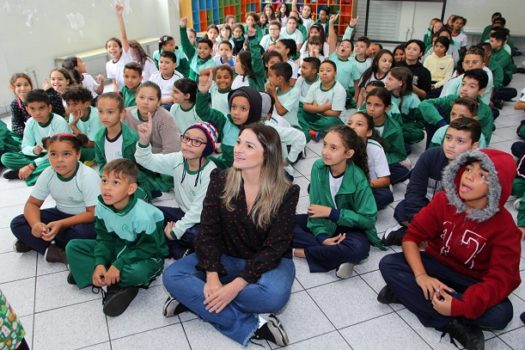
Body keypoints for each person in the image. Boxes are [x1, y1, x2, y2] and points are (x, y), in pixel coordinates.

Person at [162, 124, 300, 347]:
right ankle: (255, 325)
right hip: (227, 254)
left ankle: (193, 300)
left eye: (248, 145)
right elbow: (208, 232)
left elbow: (276, 247)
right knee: (172, 277)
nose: (238, 149)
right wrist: (213, 276)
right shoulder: (220, 179)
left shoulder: (287, 191)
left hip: (269, 261)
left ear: (268, 154)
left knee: (274, 297)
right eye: (238, 142)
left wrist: (235, 286)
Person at [378, 149, 521, 350]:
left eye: (482, 175)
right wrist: (420, 276)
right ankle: (452, 324)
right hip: (437, 265)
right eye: (469, 168)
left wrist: (459, 305)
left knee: (501, 314)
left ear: (497, 187)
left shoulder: (506, 228)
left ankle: (407, 294)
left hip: (471, 282)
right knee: (389, 264)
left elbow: (500, 281)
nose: (469, 176)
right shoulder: (443, 201)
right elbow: (411, 238)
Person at [66, 159, 168, 317]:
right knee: (73, 247)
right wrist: (100, 262)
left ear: (131, 188)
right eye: (104, 180)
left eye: (116, 182)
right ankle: (109, 277)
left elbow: (149, 248)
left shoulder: (142, 215)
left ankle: (110, 281)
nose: (106, 187)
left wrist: (118, 264)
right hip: (119, 246)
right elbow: (104, 238)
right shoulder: (102, 205)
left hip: (146, 254)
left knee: (136, 273)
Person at [292, 125, 382, 278]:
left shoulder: (358, 179)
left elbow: (368, 221)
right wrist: (322, 237)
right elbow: (315, 210)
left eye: (333, 148)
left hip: (351, 228)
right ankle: (336, 254)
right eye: (325, 145)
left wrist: (332, 213)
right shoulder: (318, 168)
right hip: (323, 222)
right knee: (280, 222)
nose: (325, 151)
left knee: (359, 249)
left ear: (348, 153)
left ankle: (301, 252)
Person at [383, 117, 482, 246]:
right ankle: (430, 239)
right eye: (448, 138)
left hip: (454, 215)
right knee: (402, 209)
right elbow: (414, 191)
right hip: (429, 207)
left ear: (474, 145)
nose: (451, 145)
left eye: (460, 141)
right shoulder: (430, 155)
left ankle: (416, 236)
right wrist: (417, 220)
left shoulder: (477, 169)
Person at [10, 134, 99, 264]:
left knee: (85, 233)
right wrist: (35, 224)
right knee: (17, 223)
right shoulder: (48, 173)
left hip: (84, 219)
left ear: (78, 155)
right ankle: (56, 252)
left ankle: (38, 241)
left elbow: (93, 214)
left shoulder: (87, 176)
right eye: (53, 154)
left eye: (66, 154)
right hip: (59, 214)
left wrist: (61, 224)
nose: (59, 160)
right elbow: (32, 204)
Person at [136, 121, 218, 259]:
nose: (189, 143)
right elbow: (146, 160)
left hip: (204, 222)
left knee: (196, 236)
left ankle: (172, 247)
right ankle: (179, 250)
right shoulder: (178, 159)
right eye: (186, 138)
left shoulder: (211, 173)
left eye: (197, 141)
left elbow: (197, 212)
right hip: (182, 213)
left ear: (208, 147)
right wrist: (144, 141)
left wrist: (175, 232)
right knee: (148, 214)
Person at [1, 89, 71, 184]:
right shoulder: (31, 122)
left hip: (57, 155)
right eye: (32, 109)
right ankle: (37, 172)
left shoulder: (59, 122)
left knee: (59, 163)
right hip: (39, 156)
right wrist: (34, 150)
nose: (37, 113)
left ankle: (25, 174)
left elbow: (60, 151)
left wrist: (32, 165)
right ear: (27, 109)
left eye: (41, 108)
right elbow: (25, 146)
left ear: (49, 108)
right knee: (6, 158)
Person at [195, 72, 263, 169]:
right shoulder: (225, 122)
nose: (236, 112)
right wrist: (202, 93)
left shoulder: (261, 132)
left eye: (243, 108)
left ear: (254, 110)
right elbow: (203, 111)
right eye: (233, 107)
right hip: (226, 168)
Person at [420, 68, 493, 147]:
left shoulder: (485, 111)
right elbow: (425, 104)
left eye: (471, 86)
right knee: (433, 113)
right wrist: (441, 123)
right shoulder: (452, 99)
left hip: (466, 145)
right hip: (446, 136)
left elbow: (485, 139)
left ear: (481, 91)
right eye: (463, 84)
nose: (464, 89)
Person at [347, 112, 393, 210]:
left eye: (359, 124)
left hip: (368, 186)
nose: (352, 127)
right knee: (312, 186)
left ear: (369, 132)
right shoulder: (342, 145)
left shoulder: (375, 148)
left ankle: (349, 208)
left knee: (385, 196)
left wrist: (363, 184)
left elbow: (385, 180)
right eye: (349, 123)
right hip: (347, 186)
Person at [365, 87, 409, 184]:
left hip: (381, 160)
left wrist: (381, 160)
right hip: (359, 158)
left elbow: (399, 154)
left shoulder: (394, 129)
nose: (371, 109)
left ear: (387, 108)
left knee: (403, 171)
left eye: (377, 105)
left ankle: (374, 183)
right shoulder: (359, 119)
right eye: (369, 104)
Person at [123, 82, 181, 154]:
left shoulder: (166, 118)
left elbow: (172, 150)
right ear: (135, 98)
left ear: (158, 102)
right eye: (141, 97)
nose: (145, 102)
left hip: (157, 161)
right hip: (131, 159)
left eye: (151, 99)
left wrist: (148, 161)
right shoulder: (125, 114)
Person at [298, 60, 346, 142]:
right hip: (316, 114)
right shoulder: (315, 85)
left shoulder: (339, 90)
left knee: (330, 122)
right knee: (299, 108)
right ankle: (311, 131)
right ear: (318, 73)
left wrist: (315, 108)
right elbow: (306, 106)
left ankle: (305, 128)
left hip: (331, 119)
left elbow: (335, 114)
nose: (324, 73)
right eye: (321, 70)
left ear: (335, 73)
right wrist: (322, 108)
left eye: (328, 70)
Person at [63, 86, 104, 162]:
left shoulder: (96, 116)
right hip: (84, 146)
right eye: (68, 104)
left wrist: (73, 126)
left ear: (87, 103)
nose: (71, 108)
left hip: (98, 148)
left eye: (75, 104)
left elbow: (90, 144)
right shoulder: (74, 114)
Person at [384, 67, 424, 145]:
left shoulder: (413, 99)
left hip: (402, 127)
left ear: (401, 83)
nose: (386, 82)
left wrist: (401, 126)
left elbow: (421, 122)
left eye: (390, 79)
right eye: (387, 78)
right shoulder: (384, 93)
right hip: (386, 124)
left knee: (419, 134)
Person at [265, 62, 300, 129]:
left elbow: (281, 112)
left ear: (280, 78)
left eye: (271, 76)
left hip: (289, 127)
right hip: (274, 124)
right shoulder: (275, 89)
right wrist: (267, 93)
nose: (269, 78)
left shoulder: (294, 92)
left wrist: (273, 94)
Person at [107, 2, 133, 91]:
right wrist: (116, 92)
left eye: (115, 46)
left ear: (121, 48)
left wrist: (119, 16)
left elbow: (123, 36)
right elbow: (115, 83)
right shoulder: (108, 65)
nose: (112, 48)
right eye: (109, 47)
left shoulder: (125, 55)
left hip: (134, 87)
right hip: (123, 90)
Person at [231, 26, 266, 91]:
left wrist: (252, 38)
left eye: (237, 61)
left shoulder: (256, 76)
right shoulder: (238, 77)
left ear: (245, 64)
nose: (235, 64)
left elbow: (256, 58)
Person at [8, 73, 33, 137]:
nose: (23, 88)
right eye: (18, 85)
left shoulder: (39, 97)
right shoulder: (15, 104)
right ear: (13, 88)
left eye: (26, 85)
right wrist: (28, 134)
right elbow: (16, 125)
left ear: (31, 86)